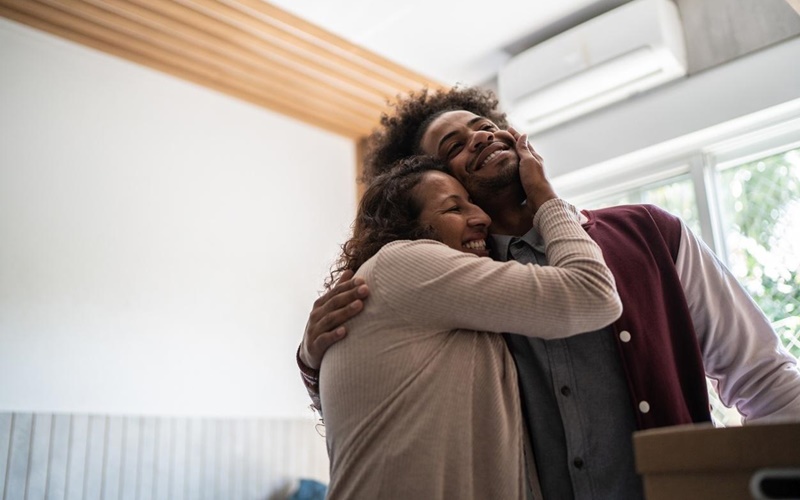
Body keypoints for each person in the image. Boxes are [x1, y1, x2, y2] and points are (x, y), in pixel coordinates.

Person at [298, 87, 800, 499]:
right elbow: (385, 383)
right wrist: (312, 355)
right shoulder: (451, 284)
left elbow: (763, 376)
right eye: (452, 146)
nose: (479, 138)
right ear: (433, 183)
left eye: (483, 126)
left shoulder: (651, 234)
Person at [319, 142, 621, 499]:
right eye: (453, 208)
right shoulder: (405, 262)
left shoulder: (444, 307)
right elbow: (593, 293)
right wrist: (546, 199)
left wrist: (309, 359)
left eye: (474, 204)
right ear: (407, 227)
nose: (482, 219)